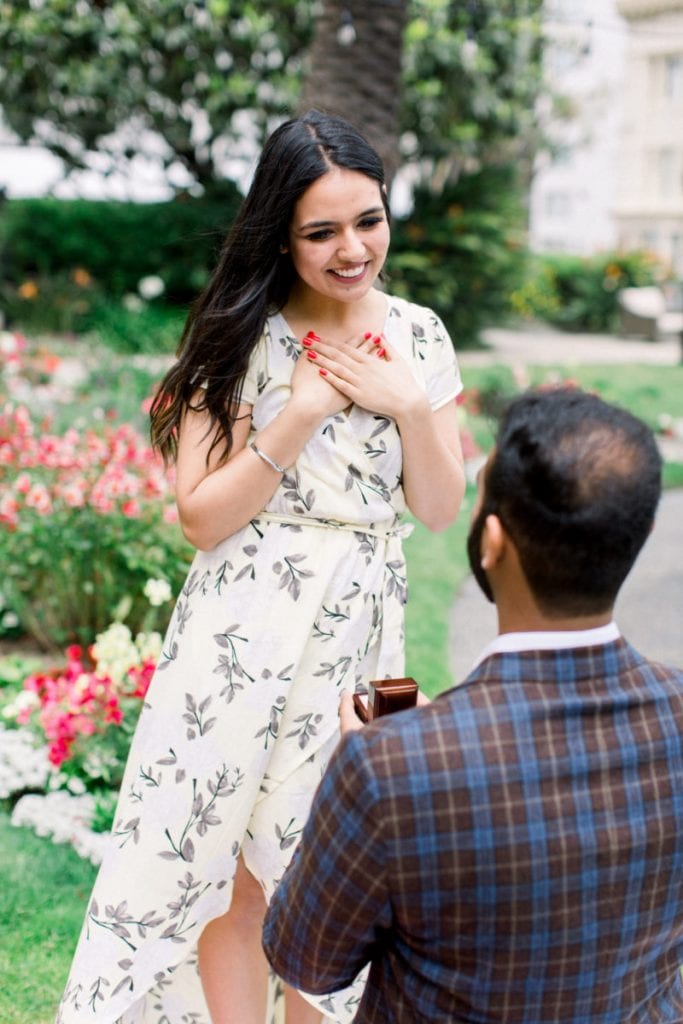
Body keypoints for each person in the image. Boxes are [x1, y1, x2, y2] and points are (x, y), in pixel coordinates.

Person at [55, 109, 466, 1024]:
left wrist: (406, 404)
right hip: (242, 632)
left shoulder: (420, 337)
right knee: (227, 872)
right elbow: (201, 517)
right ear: (281, 234)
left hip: (357, 633)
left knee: (330, 876)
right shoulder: (239, 338)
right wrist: (300, 412)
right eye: (321, 231)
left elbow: (439, 508)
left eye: (369, 220)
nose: (352, 248)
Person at [263, 387, 683, 1024]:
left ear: (492, 541)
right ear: (639, 533)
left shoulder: (389, 768)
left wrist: (368, 769)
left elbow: (304, 958)